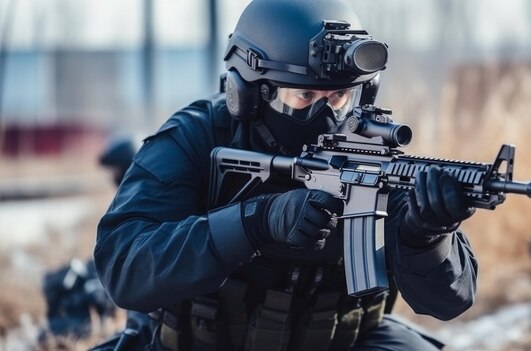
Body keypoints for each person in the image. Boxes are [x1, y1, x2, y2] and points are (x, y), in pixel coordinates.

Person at [94, 1, 478, 350]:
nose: (327, 118)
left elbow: (448, 302)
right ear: (248, 93)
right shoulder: (196, 138)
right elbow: (123, 268)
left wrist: (426, 238)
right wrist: (255, 223)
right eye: (303, 98)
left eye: (339, 97)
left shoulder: (373, 159)